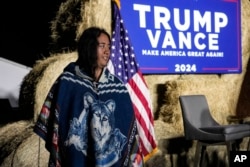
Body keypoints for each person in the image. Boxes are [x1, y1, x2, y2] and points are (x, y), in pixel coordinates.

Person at [34, 27, 144, 167]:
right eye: (102, 46)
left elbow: (127, 127)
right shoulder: (68, 82)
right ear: (89, 48)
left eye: (109, 47)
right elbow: (55, 120)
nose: (107, 51)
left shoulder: (118, 88)